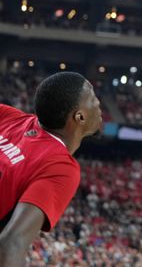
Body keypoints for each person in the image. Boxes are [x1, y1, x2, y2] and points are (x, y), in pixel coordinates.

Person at [0, 71, 103, 266]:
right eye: (93, 98)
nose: (99, 104)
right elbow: (11, 244)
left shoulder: (7, 116)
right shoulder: (60, 167)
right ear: (79, 116)